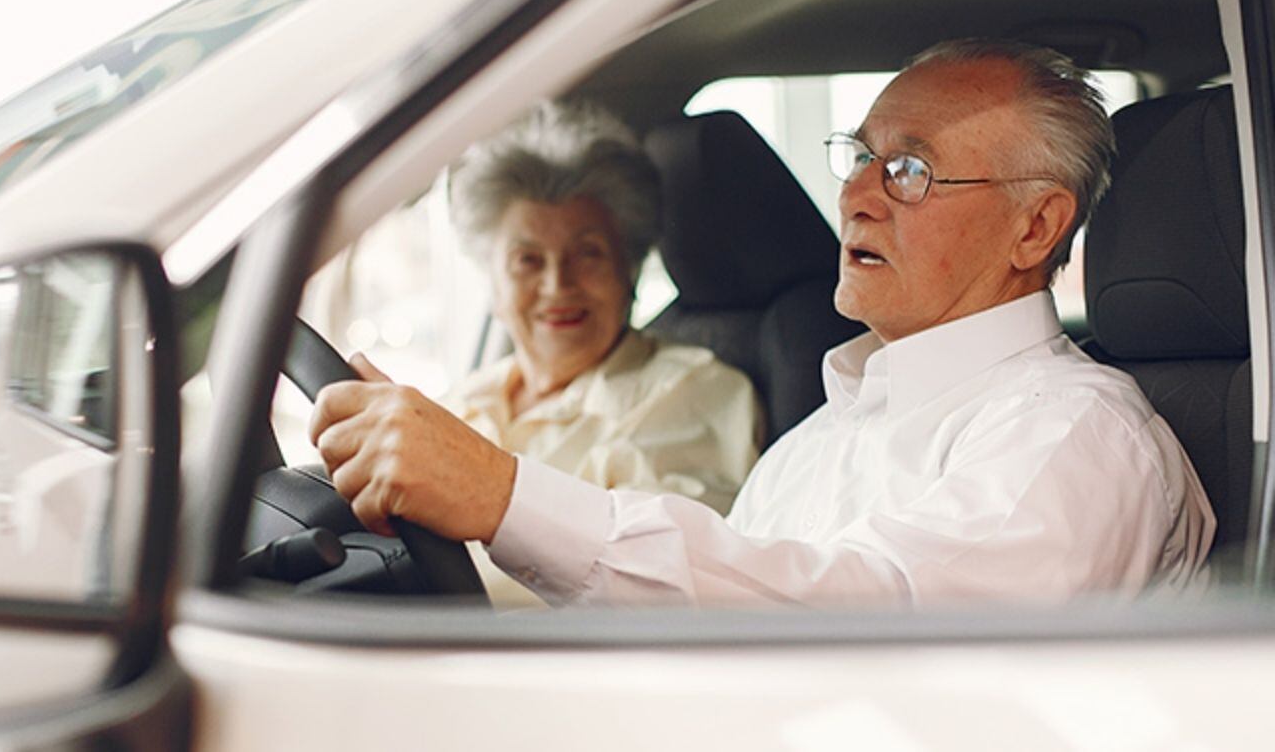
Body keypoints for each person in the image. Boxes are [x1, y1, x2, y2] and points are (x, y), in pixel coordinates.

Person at [311, 39, 1216, 608]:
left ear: (1036, 226)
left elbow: (874, 625)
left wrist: (502, 497)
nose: (856, 194)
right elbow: (702, 625)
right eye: (860, 157)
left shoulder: (1078, 435)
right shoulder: (818, 440)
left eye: (909, 170)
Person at [444, 102, 763, 515]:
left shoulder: (692, 394)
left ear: (628, 269)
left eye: (588, 254)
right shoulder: (468, 399)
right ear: (492, 281)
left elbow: (663, 563)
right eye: (528, 260)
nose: (558, 285)